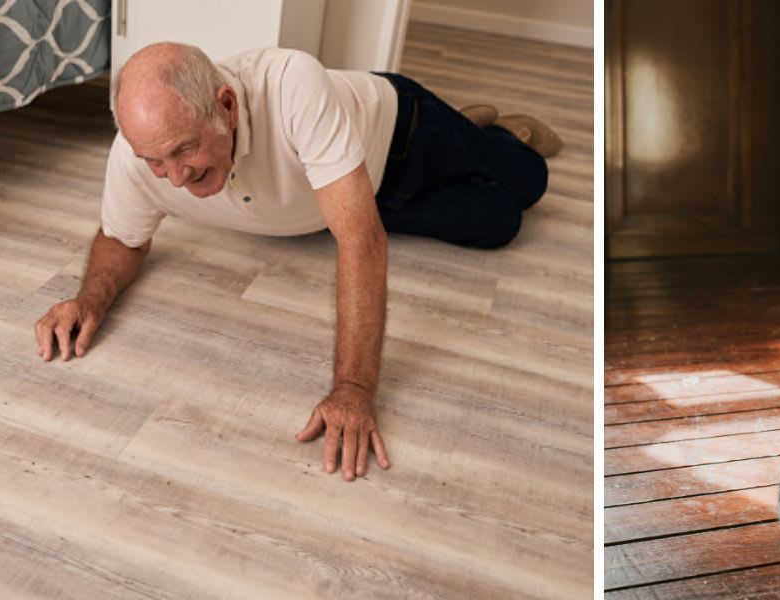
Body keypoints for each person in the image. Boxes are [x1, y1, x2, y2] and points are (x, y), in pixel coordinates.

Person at [32, 42, 561, 482]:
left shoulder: (292, 84)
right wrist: (89, 299)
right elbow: (122, 239)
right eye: (155, 161)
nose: (172, 177)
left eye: (184, 150)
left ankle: (490, 134)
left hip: (403, 134)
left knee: (527, 180)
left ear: (227, 105)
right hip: (355, 191)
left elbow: (360, 241)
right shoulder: (139, 154)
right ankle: (464, 140)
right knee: (499, 223)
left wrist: (354, 389)